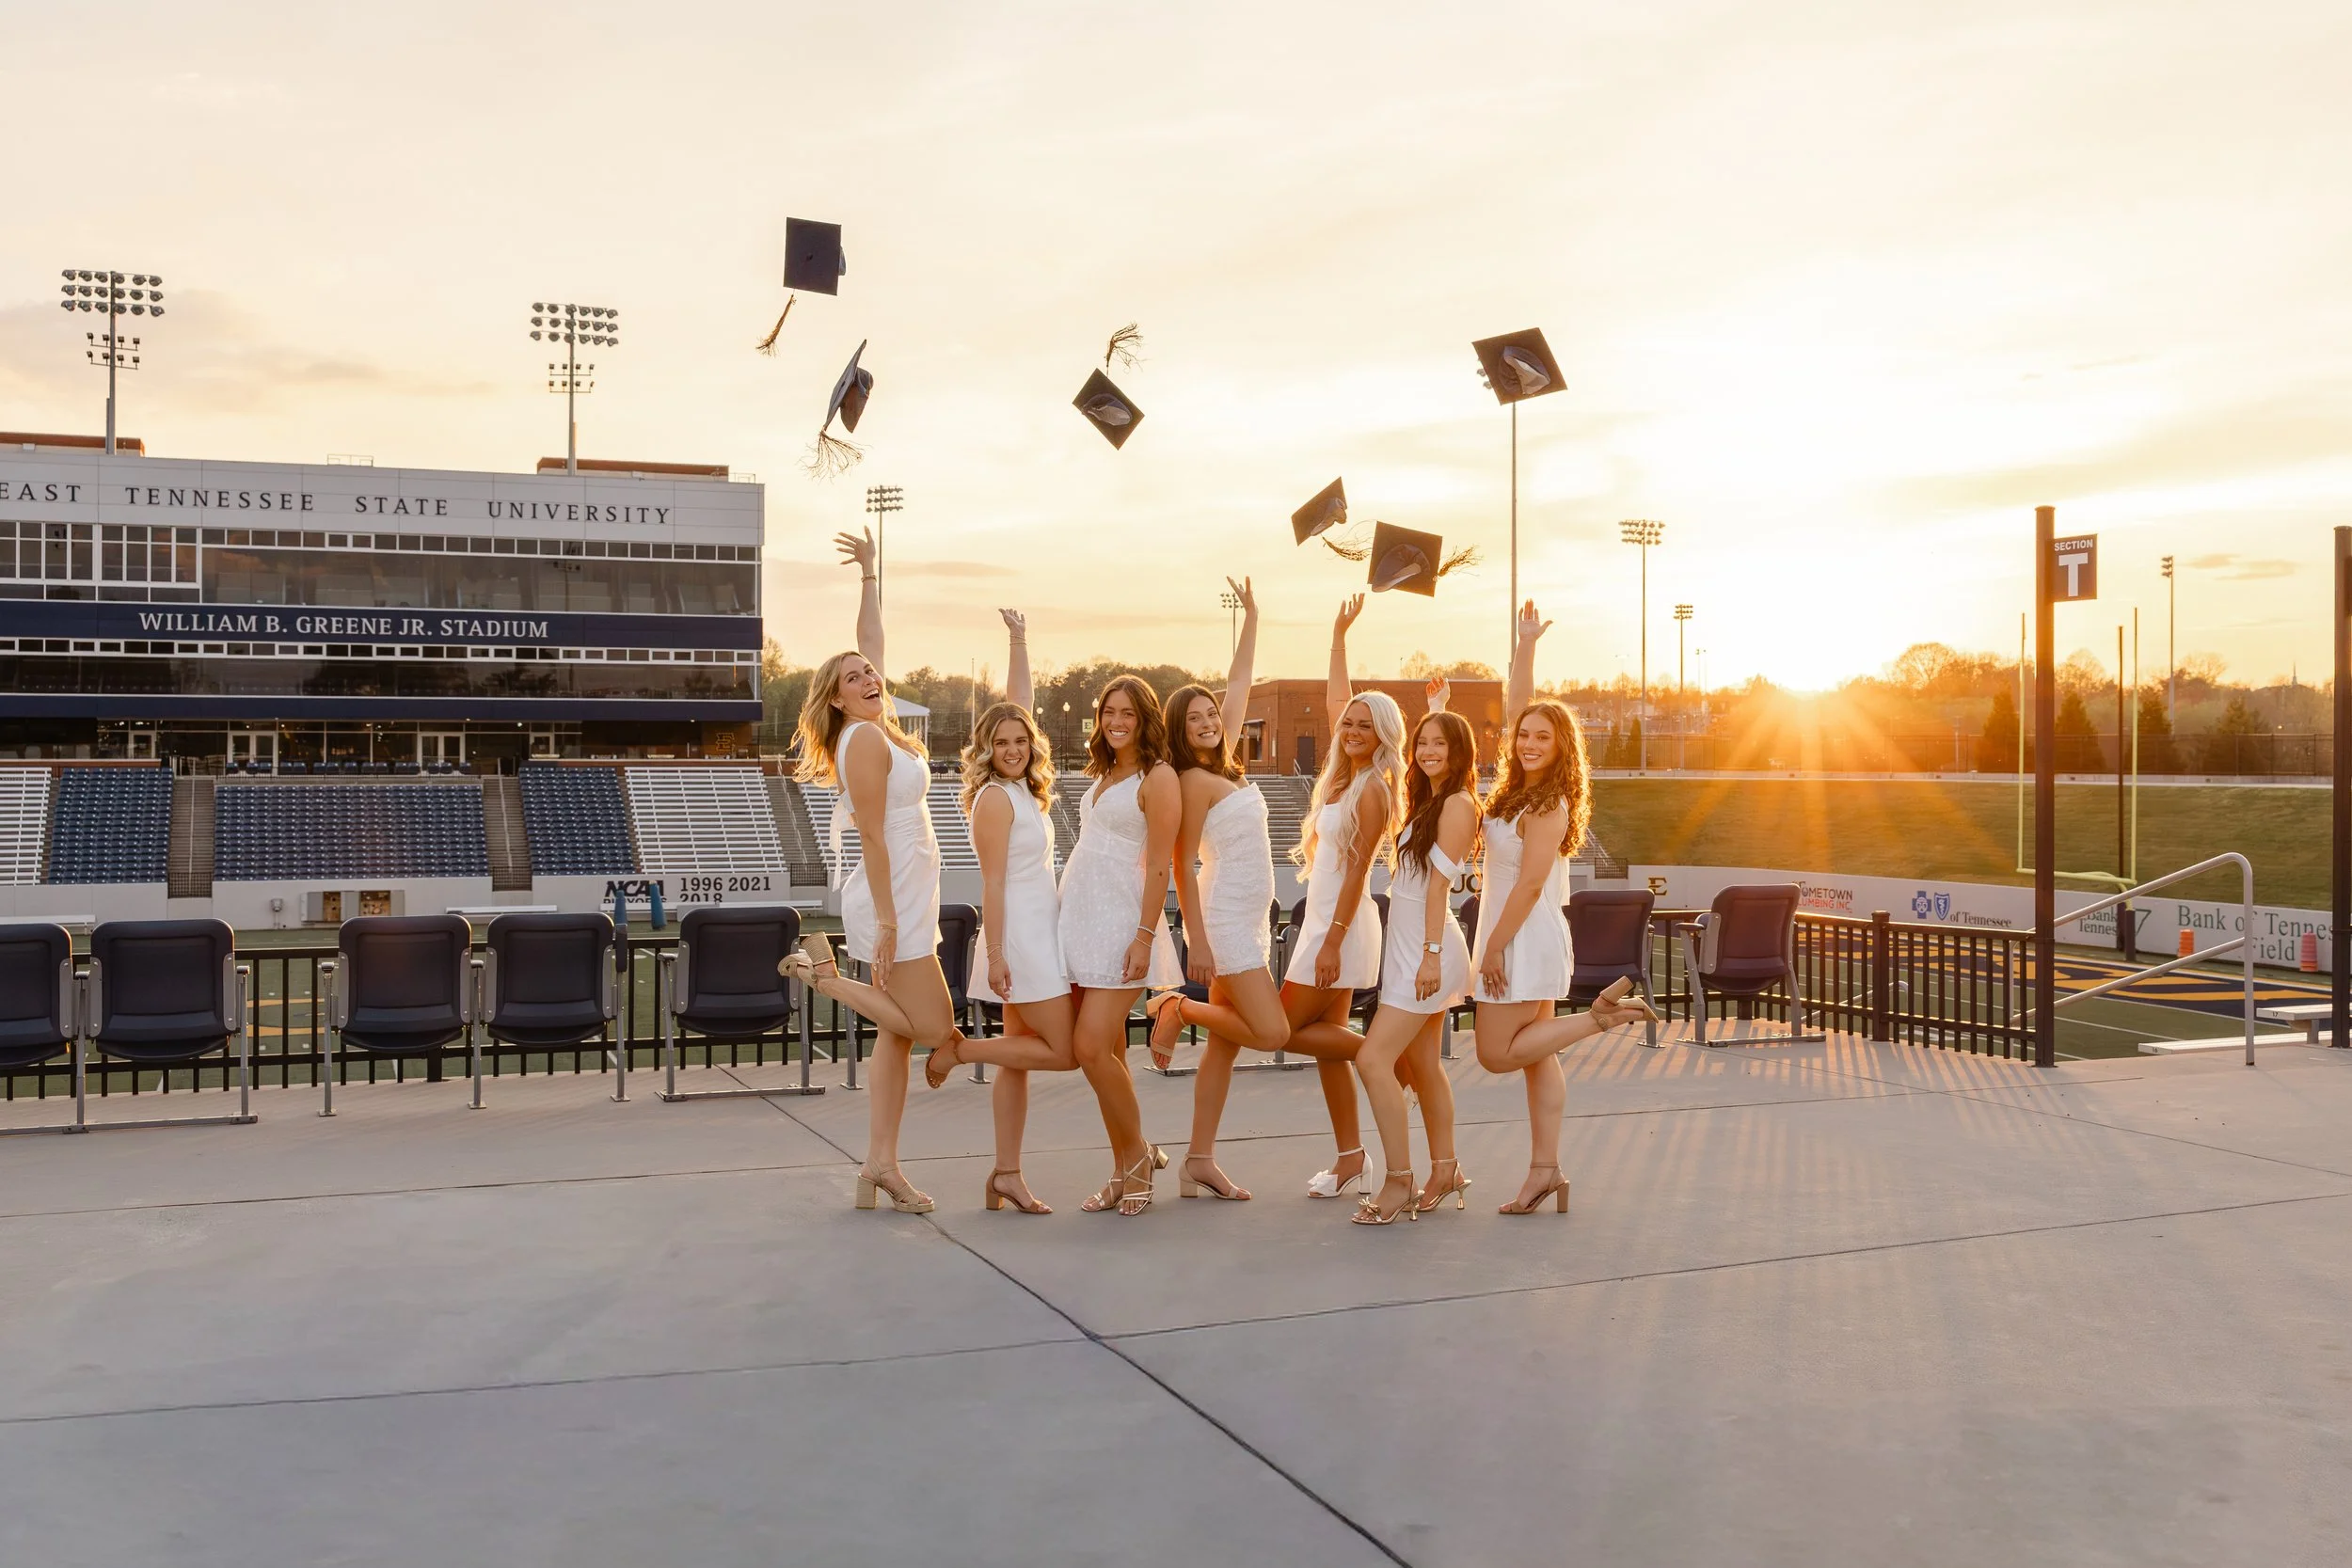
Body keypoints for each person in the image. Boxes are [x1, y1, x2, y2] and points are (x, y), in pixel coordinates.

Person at [780, 527, 967, 1215]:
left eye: (870, 673)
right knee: (933, 1028)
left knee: (897, 1033)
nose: (869, 678)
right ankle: (822, 977)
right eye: (853, 677)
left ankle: (879, 1165)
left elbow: (872, 638)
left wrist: (867, 573)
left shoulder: (879, 723)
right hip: (893, 897)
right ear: (836, 699)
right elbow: (871, 835)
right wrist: (888, 920)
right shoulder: (861, 737)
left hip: (911, 888)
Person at [1471, 601, 1657, 1216]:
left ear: (1561, 748)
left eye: (1541, 738)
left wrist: (1493, 947)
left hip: (1521, 934)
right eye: (1524, 735)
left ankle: (1601, 1018)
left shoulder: (1548, 805)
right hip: (1517, 931)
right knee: (1536, 1057)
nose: (1528, 743)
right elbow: (1517, 704)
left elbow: (1529, 886)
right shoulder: (1517, 790)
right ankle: (1545, 1171)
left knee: (1496, 1052)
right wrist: (1526, 645)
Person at [919, 609, 1078, 1215]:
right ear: (985, 750)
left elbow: (1020, 704)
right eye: (1001, 743)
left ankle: (1005, 1175)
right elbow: (991, 883)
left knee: (1019, 1060)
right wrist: (998, 955)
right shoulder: (992, 799)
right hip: (1022, 941)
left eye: (1020, 741)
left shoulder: (1021, 790)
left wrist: (1018, 641)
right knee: (1062, 1051)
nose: (1012, 749)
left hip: (1041, 930)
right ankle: (960, 1051)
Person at [1140, 577, 1288, 1202]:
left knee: (1223, 1050)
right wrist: (1196, 938)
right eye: (1194, 718)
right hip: (1224, 921)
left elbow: (1240, 682)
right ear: (1179, 729)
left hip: (1250, 917)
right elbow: (1181, 865)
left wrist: (1252, 614)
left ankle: (1198, 1160)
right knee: (1272, 1033)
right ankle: (1176, 1008)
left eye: (1210, 714)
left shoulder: (1225, 764)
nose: (1206, 722)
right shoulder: (1189, 781)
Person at [1348, 698, 1479, 1225]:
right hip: (1412, 947)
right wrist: (1436, 711)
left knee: (1372, 1060)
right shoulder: (1432, 800)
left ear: (1459, 751)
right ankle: (1445, 1170)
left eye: (1439, 743)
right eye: (1422, 742)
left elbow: (1438, 888)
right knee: (1423, 1066)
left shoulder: (1459, 805)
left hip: (1428, 951)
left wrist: (1429, 958)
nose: (1427, 751)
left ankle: (1399, 1180)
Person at [1056, 675, 1183, 1215]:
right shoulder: (1105, 771)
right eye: (1109, 711)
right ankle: (1124, 1165)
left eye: (1127, 712)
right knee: (1107, 1054)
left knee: (1088, 1048)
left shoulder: (1159, 777)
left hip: (1122, 927)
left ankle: (1138, 1160)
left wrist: (1144, 937)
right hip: (1082, 922)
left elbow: (1160, 866)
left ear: (1145, 718)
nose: (1116, 721)